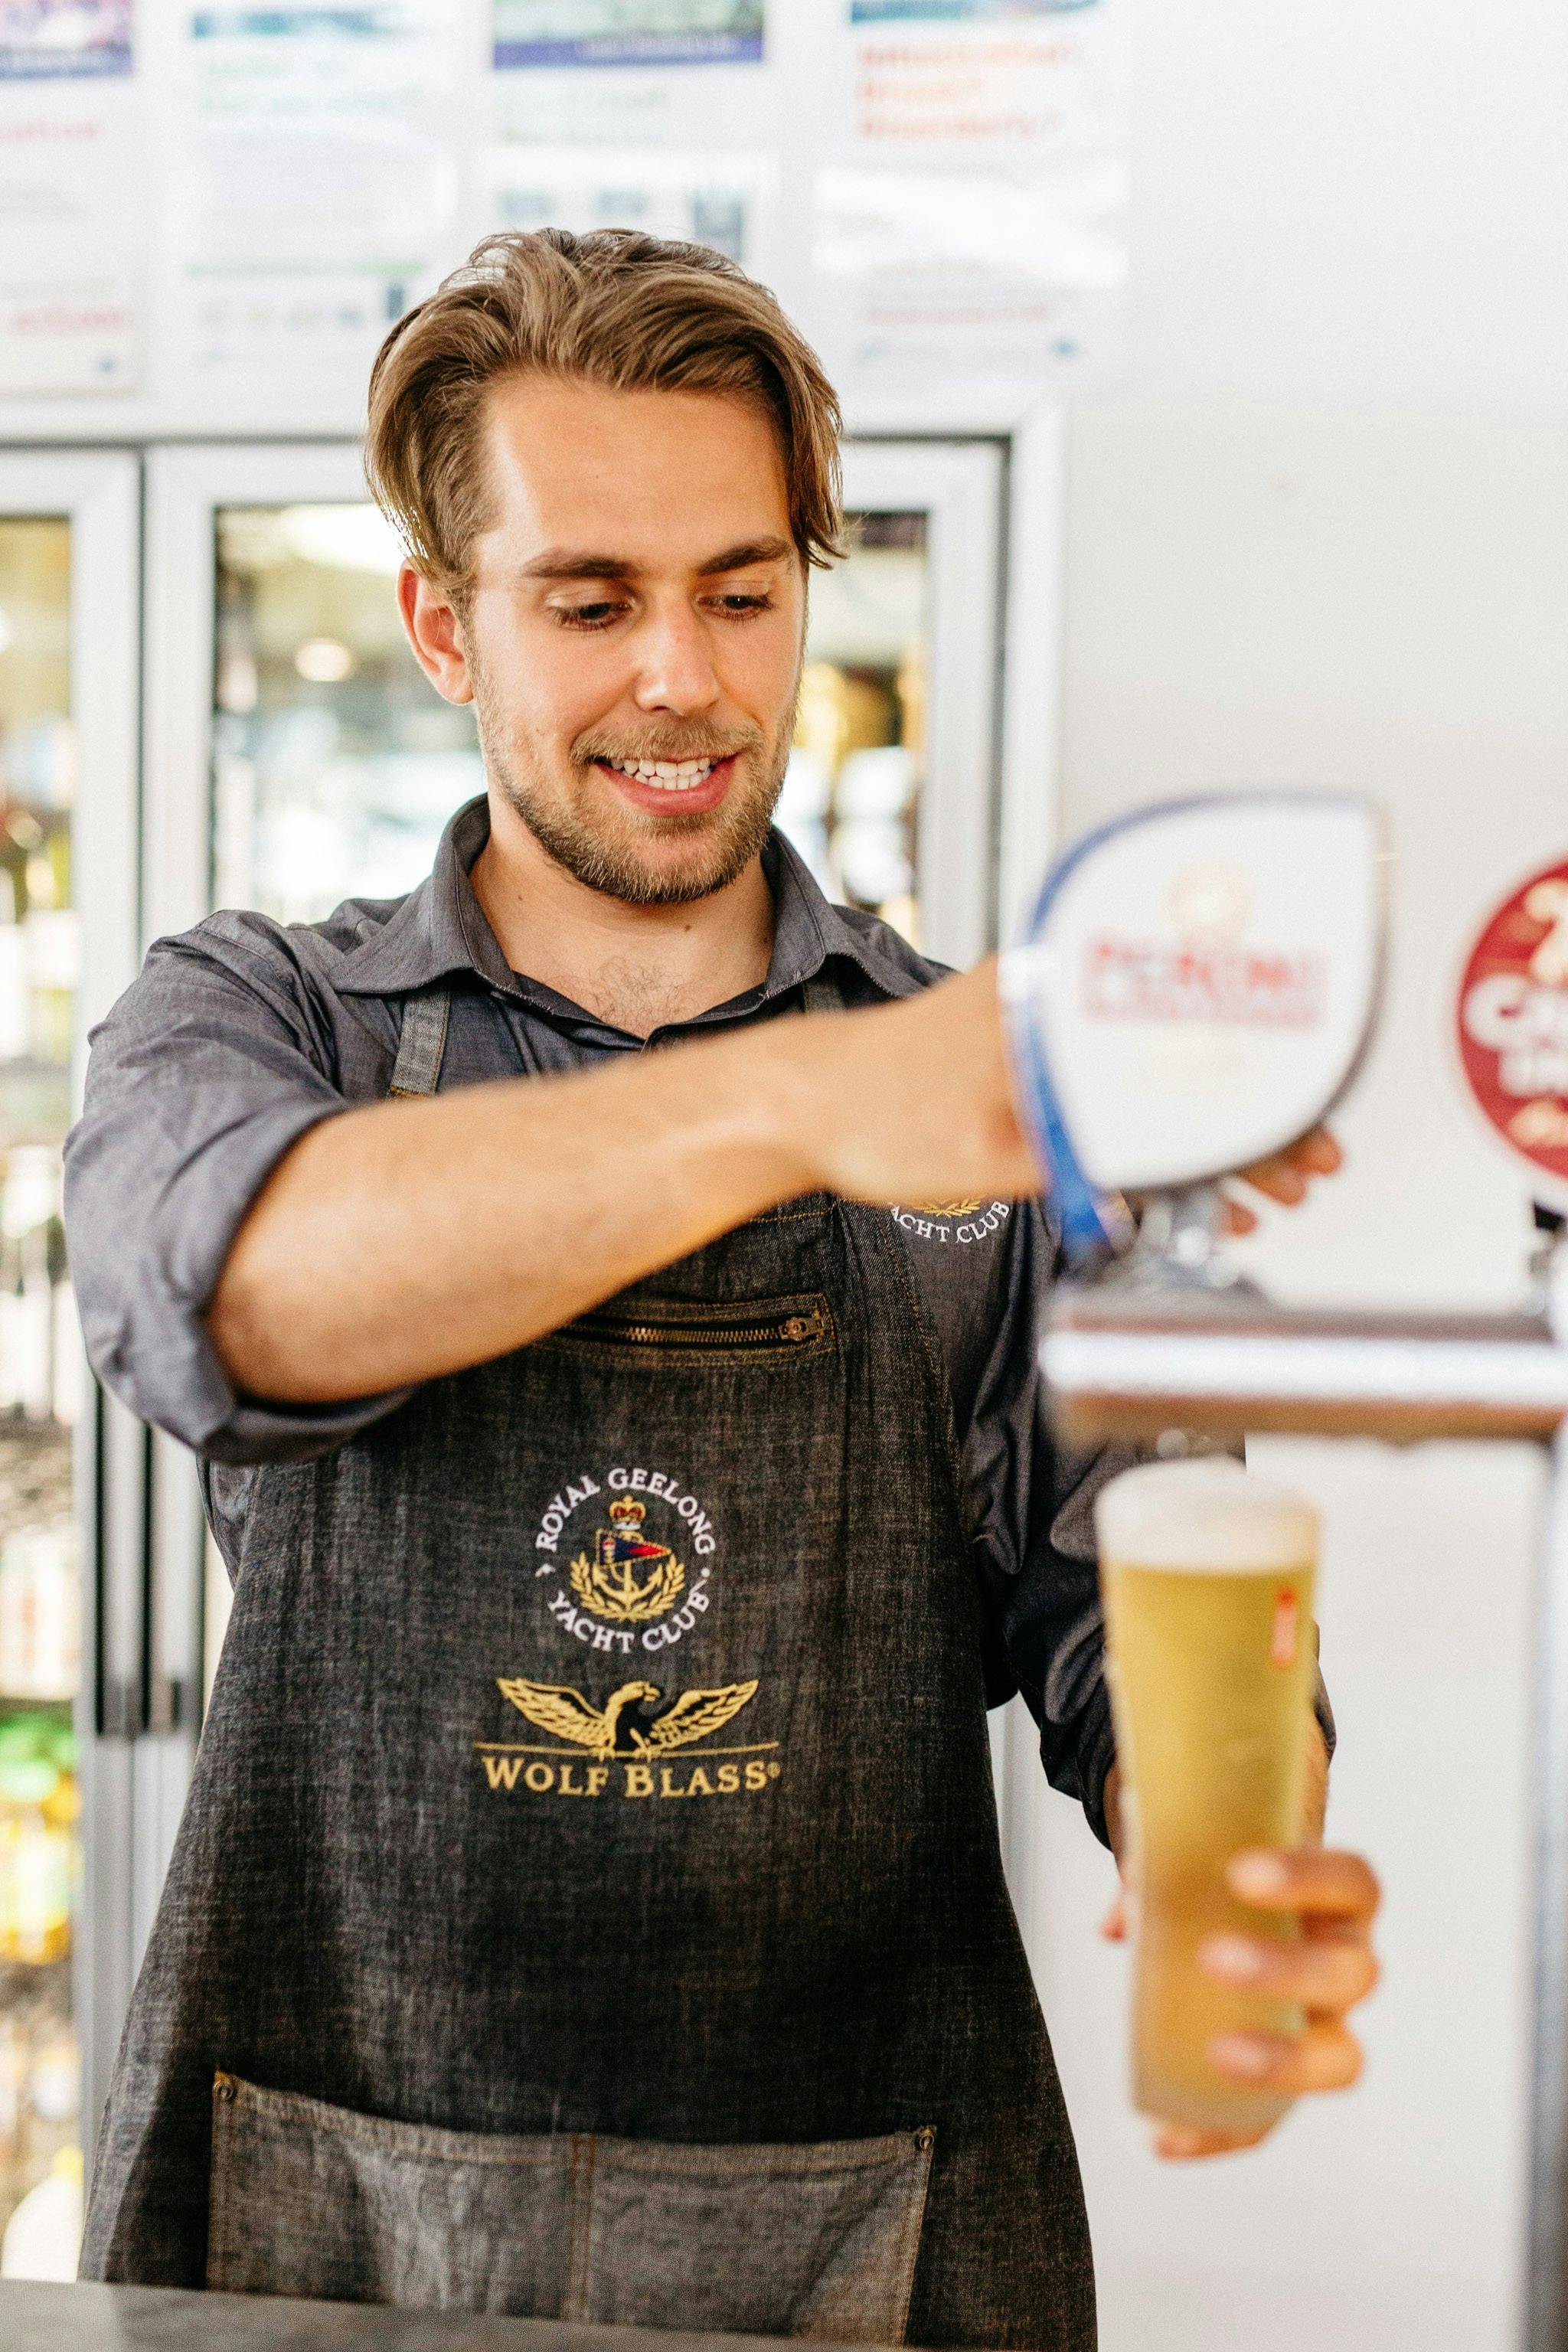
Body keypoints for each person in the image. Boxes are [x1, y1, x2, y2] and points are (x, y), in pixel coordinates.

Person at [64, 230, 1377, 2348]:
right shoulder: (257, 1016)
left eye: (743, 593)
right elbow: (243, 1291)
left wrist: (1231, 1855)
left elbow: (1140, 1593)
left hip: (875, 2220)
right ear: (442, 625)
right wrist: (821, 1098)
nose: (683, 674)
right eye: (590, 602)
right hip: (326, 2214)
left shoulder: (988, 1103)